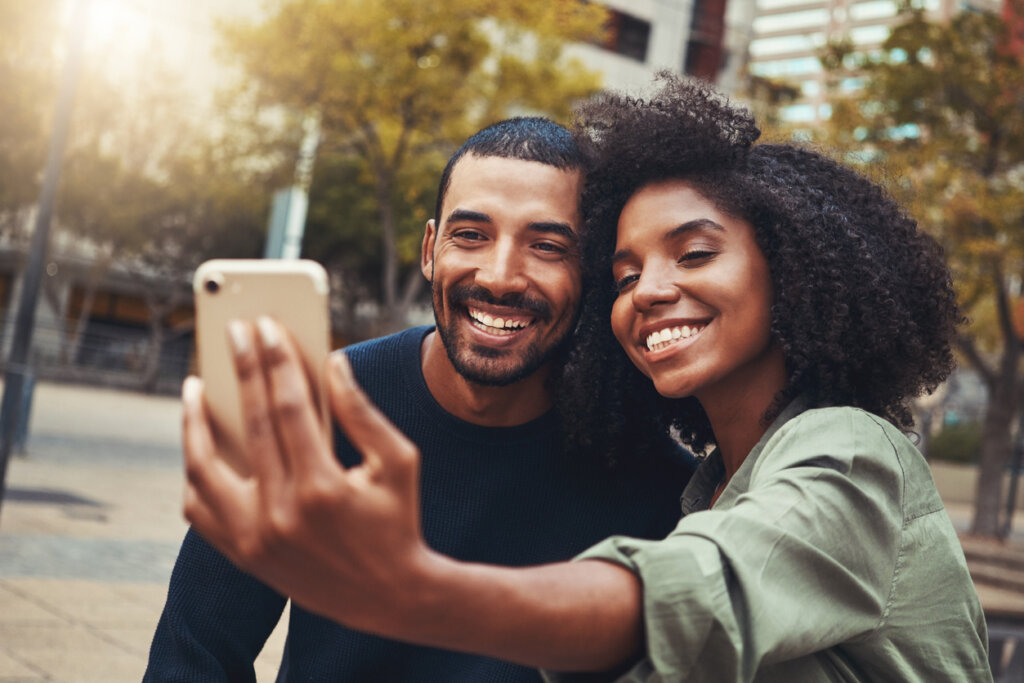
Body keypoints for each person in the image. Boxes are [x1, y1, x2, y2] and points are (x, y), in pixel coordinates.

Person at [181, 77, 991, 681]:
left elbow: (700, 594)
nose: (654, 290)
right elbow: (193, 652)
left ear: (789, 268)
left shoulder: (846, 452)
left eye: (696, 252)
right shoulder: (707, 490)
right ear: (430, 247)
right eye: (628, 270)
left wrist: (419, 591)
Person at [145, 117, 695, 682]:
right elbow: (193, 655)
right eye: (472, 235)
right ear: (431, 249)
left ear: (591, 274)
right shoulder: (309, 409)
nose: (501, 276)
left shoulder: (651, 481)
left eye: (548, 246)